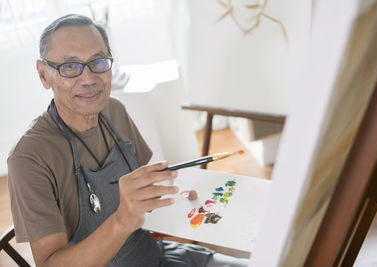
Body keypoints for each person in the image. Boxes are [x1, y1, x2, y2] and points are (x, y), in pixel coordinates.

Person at [7, 14, 249, 267]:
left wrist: (174, 200)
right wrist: (122, 220)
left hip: (156, 255)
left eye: (98, 61)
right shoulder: (28, 158)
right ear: (43, 74)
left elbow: (143, 197)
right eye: (70, 67)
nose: (88, 79)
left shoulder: (114, 111)